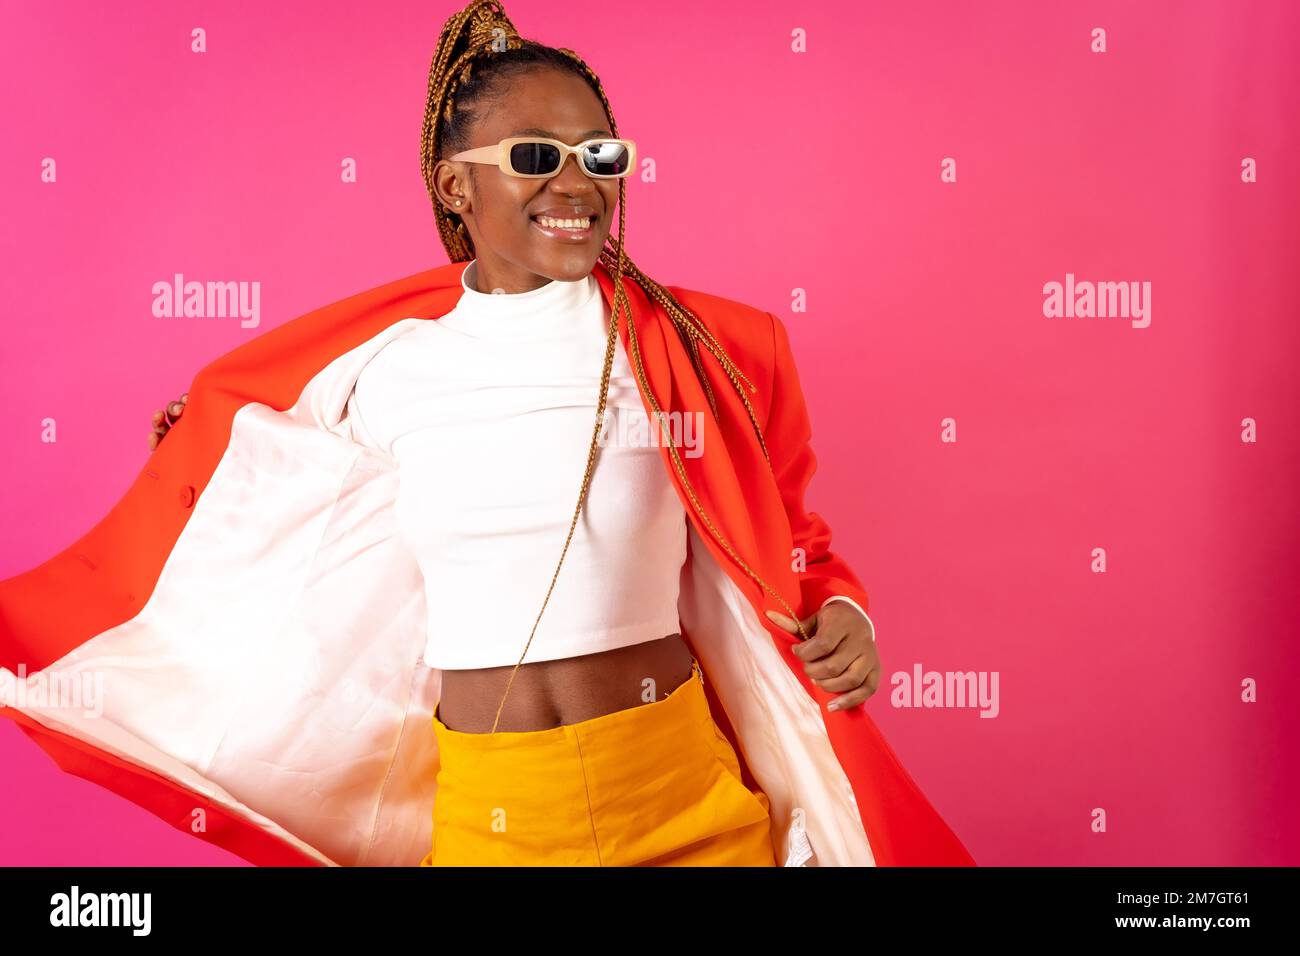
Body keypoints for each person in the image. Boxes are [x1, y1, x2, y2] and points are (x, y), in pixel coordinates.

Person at [5, 0, 974, 867]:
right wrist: (201, 467)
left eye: (600, 154)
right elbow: (274, 494)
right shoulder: (384, 370)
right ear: (456, 187)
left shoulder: (710, 351)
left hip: (682, 798)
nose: (577, 183)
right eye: (534, 157)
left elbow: (795, 540)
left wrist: (847, 610)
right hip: (492, 818)